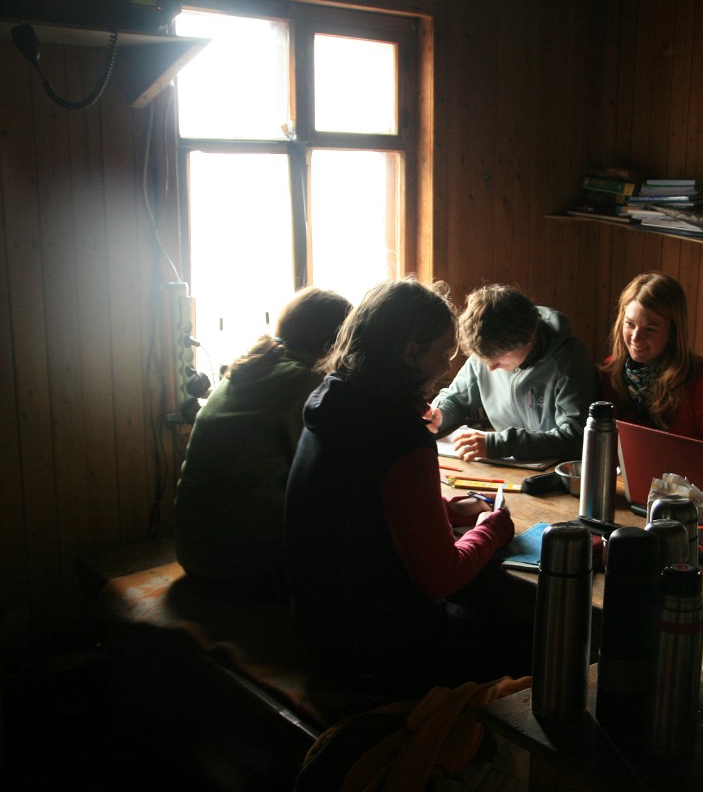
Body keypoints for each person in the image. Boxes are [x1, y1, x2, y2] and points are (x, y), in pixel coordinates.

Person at [284, 278, 526, 697]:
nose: (447, 368)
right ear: (411, 351)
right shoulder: (400, 435)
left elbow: (361, 502)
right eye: (443, 353)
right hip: (376, 652)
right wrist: (492, 529)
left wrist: (441, 508)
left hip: (316, 628)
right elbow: (440, 578)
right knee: (523, 633)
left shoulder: (332, 401)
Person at [174, 286, 352, 587]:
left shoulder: (251, 366)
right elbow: (321, 472)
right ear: (332, 342)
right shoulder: (304, 381)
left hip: (194, 549)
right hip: (241, 560)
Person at [427, 284, 596, 462]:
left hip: (558, 468)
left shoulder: (570, 360)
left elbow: (577, 438)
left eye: (498, 357)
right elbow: (456, 399)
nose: (490, 367)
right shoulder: (487, 350)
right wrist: (439, 414)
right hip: (506, 464)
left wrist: (500, 444)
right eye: (483, 359)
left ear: (529, 338)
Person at [599, 272, 703, 439]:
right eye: (630, 324)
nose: (636, 337)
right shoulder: (609, 372)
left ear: (673, 332)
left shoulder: (702, 385)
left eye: (650, 329)